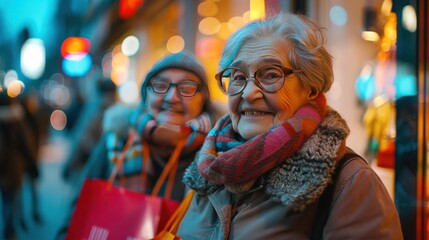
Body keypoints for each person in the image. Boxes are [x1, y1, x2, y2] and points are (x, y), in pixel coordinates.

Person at [177, 13, 403, 239]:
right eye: (237, 76)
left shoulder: (349, 182)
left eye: (271, 75)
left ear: (311, 88)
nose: (248, 93)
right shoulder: (206, 170)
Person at [0, 92, 40, 239]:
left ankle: (9, 226)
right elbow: (26, 146)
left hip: (2, 169)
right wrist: (33, 166)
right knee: (13, 199)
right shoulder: (17, 120)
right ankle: (10, 229)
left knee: (5, 199)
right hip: (14, 169)